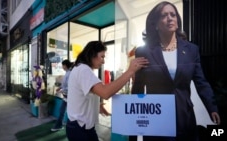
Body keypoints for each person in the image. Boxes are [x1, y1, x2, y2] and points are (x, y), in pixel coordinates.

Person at [129, 1, 221, 141]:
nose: (170, 18)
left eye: (173, 14)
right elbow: (139, 88)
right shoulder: (144, 51)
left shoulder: (191, 50)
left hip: (184, 116)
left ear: (178, 21)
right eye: (164, 15)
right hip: (156, 117)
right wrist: (134, 127)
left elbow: (201, 82)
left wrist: (212, 107)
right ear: (156, 24)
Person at [65, 41, 149, 141]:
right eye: (102, 57)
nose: (103, 61)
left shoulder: (82, 69)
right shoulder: (83, 70)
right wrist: (130, 71)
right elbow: (105, 92)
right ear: (92, 54)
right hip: (79, 128)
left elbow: (87, 92)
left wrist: (97, 105)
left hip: (83, 127)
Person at [51, 59, 73, 131]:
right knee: (62, 111)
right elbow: (65, 84)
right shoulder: (67, 72)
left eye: (62, 65)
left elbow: (70, 86)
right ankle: (59, 125)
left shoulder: (69, 73)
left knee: (63, 111)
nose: (62, 67)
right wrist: (60, 88)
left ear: (65, 65)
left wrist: (61, 90)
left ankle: (59, 125)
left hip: (69, 96)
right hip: (66, 95)